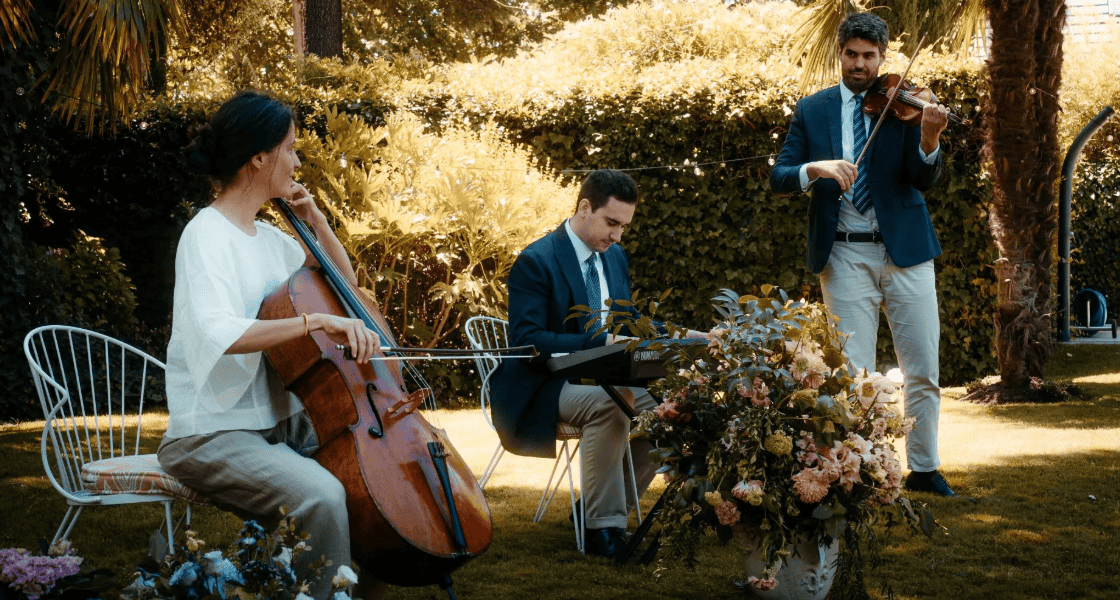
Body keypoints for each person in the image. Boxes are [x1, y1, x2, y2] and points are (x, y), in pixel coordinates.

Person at [157, 90, 388, 598]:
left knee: (369, 487)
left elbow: (344, 291)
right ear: (259, 156)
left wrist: (317, 224)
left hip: (275, 424)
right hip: (212, 433)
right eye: (291, 148)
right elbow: (222, 333)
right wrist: (312, 324)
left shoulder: (269, 238)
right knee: (323, 496)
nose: (298, 160)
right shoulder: (206, 235)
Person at [769, 13, 956, 497]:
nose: (860, 64)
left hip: (907, 253)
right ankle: (862, 467)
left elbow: (924, 178)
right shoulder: (813, 110)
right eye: (852, 54)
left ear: (882, 57)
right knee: (852, 374)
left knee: (923, 367)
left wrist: (930, 139)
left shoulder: (904, 103)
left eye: (869, 56)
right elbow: (780, 176)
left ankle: (926, 467)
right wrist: (817, 167)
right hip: (844, 255)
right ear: (840, 53)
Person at [489, 169, 710, 558]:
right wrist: (600, 340)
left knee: (670, 410)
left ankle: (596, 509)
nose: (617, 236)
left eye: (624, 226)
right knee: (612, 405)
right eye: (612, 223)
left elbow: (629, 322)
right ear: (584, 208)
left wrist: (688, 336)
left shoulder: (615, 257)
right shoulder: (536, 260)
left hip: (602, 375)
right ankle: (602, 528)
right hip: (541, 386)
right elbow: (527, 343)